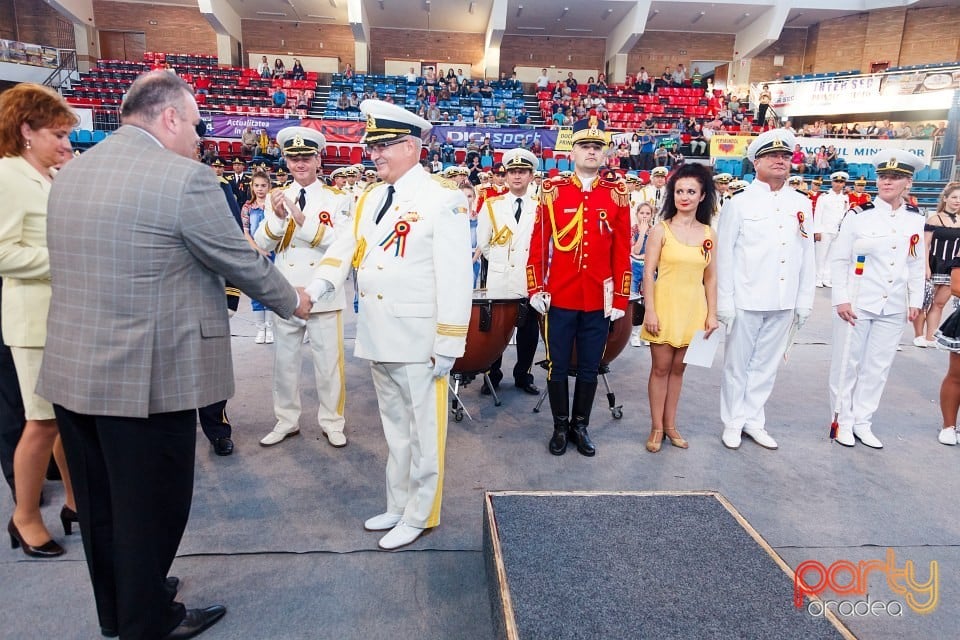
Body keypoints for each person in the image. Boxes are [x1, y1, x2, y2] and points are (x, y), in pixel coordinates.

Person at [40, 70, 312, 639]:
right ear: (168, 117)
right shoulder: (185, 178)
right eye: (195, 124)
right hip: (148, 373)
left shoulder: (71, 169)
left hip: (72, 371)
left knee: (101, 504)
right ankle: (149, 622)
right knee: (154, 504)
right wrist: (295, 300)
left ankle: (121, 605)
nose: (199, 137)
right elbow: (236, 258)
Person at [306, 100, 472, 550]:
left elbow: (458, 276)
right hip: (380, 335)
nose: (374, 153)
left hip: (421, 340)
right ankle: (398, 505)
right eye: (373, 145)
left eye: (386, 145)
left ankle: (421, 513)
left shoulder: (444, 200)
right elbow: (342, 250)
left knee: (424, 433)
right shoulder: (370, 198)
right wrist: (313, 290)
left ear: (414, 147)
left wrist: (449, 342)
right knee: (395, 430)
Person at [0, 83, 78, 558]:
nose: (67, 144)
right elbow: (4, 252)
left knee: (65, 420)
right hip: (33, 322)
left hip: (60, 316)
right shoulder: (8, 177)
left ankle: (74, 501)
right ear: (26, 130)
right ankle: (24, 516)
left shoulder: (44, 176)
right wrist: (66, 257)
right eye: (58, 133)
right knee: (41, 423)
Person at [526, 115, 631, 457]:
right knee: (557, 365)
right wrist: (534, 288)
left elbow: (622, 248)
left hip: (598, 299)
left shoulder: (616, 194)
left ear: (604, 154)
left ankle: (580, 426)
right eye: (584, 146)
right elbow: (539, 244)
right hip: (560, 294)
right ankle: (559, 426)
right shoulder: (554, 190)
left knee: (589, 365)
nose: (590, 152)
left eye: (596, 147)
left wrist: (620, 296)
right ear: (573, 152)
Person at [717, 129, 816, 450]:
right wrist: (725, 301)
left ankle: (753, 420)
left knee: (766, 365)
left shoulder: (801, 203)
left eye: (785, 156)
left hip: (783, 298)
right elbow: (725, 256)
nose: (780, 161)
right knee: (737, 364)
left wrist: (804, 300)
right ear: (756, 162)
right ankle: (732, 420)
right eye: (772, 156)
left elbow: (807, 255)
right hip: (747, 297)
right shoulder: (739, 203)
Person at [254, 126, 352, 449]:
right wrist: (280, 219)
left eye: (306, 157)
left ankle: (332, 421)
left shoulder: (338, 198)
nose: (300, 164)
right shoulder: (275, 197)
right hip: (287, 291)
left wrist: (301, 219)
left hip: (323, 292)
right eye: (294, 158)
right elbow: (261, 243)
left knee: (329, 365)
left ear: (318, 158)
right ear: (285, 159)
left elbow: (342, 244)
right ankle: (286, 420)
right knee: (284, 363)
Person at [828, 151, 926, 449]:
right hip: (858, 301)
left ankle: (863, 421)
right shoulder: (860, 215)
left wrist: (915, 299)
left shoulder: (914, 219)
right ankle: (843, 421)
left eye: (895, 177)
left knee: (878, 366)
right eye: (883, 176)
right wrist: (841, 298)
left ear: (907, 182)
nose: (887, 181)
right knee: (848, 363)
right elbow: (840, 259)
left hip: (893, 303)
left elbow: (915, 261)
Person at [640, 163, 718, 452]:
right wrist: (650, 310)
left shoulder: (709, 233)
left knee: (679, 370)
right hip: (663, 307)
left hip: (693, 311)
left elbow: (710, 277)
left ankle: (671, 425)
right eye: (679, 191)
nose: (684, 196)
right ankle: (656, 428)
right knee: (660, 368)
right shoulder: (661, 231)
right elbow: (648, 273)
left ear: (702, 196)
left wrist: (712, 314)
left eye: (691, 191)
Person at [476, 148, 541, 396]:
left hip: (527, 280)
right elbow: (484, 243)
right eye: (512, 171)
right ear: (505, 175)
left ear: (531, 175)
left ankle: (523, 375)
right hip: (500, 279)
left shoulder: (540, 206)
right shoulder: (492, 205)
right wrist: (504, 262)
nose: (516, 176)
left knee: (528, 333)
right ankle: (492, 374)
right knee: (496, 331)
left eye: (522, 172)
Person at [918, 183, 960, 347]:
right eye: (954, 197)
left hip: (952, 267)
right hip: (934, 264)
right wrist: (926, 266)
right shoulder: (934, 218)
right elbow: (925, 244)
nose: (957, 201)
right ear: (945, 199)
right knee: (924, 302)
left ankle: (931, 337)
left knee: (939, 304)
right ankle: (919, 336)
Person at [241, 169, 275, 343]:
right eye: (257, 186)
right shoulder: (247, 207)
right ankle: (260, 328)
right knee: (256, 291)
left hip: (273, 252)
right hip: (255, 253)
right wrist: (257, 249)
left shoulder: (274, 206)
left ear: (269, 186)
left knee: (271, 290)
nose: (260, 189)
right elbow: (246, 233)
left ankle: (270, 327)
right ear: (252, 187)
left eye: (263, 185)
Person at [813, 171, 849, 288]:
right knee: (820, 256)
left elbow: (845, 214)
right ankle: (817, 278)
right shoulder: (824, 197)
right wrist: (817, 230)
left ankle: (826, 278)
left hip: (837, 231)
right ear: (832, 182)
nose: (838, 184)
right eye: (836, 181)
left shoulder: (845, 197)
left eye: (841, 182)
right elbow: (818, 214)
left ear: (844, 184)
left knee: (831, 256)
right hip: (824, 230)